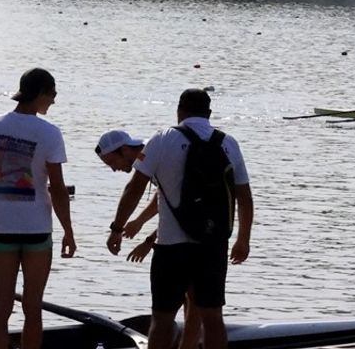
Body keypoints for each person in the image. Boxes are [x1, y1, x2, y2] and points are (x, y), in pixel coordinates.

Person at [105, 89, 253, 349]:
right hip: (212, 245)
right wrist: (243, 239)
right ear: (209, 114)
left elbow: (135, 188)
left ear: (179, 111)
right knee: (213, 318)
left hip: (172, 248)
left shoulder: (162, 139)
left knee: (162, 319)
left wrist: (117, 228)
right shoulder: (228, 143)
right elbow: (244, 196)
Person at [0, 68, 76, 349]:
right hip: (37, 231)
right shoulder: (50, 133)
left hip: (2, 229)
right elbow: (58, 188)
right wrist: (68, 231)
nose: (53, 101)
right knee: (32, 307)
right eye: (52, 95)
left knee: (1, 305)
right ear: (41, 93)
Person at [95, 130, 202, 349]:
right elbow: (163, 195)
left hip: (185, 239)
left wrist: (146, 240)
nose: (114, 169)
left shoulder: (151, 152)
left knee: (186, 306)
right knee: (192, 303)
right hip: (204, 237)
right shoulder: (155, 152)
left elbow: (141, 192)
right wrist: (140, 221)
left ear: (125, 149)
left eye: (112, 162)